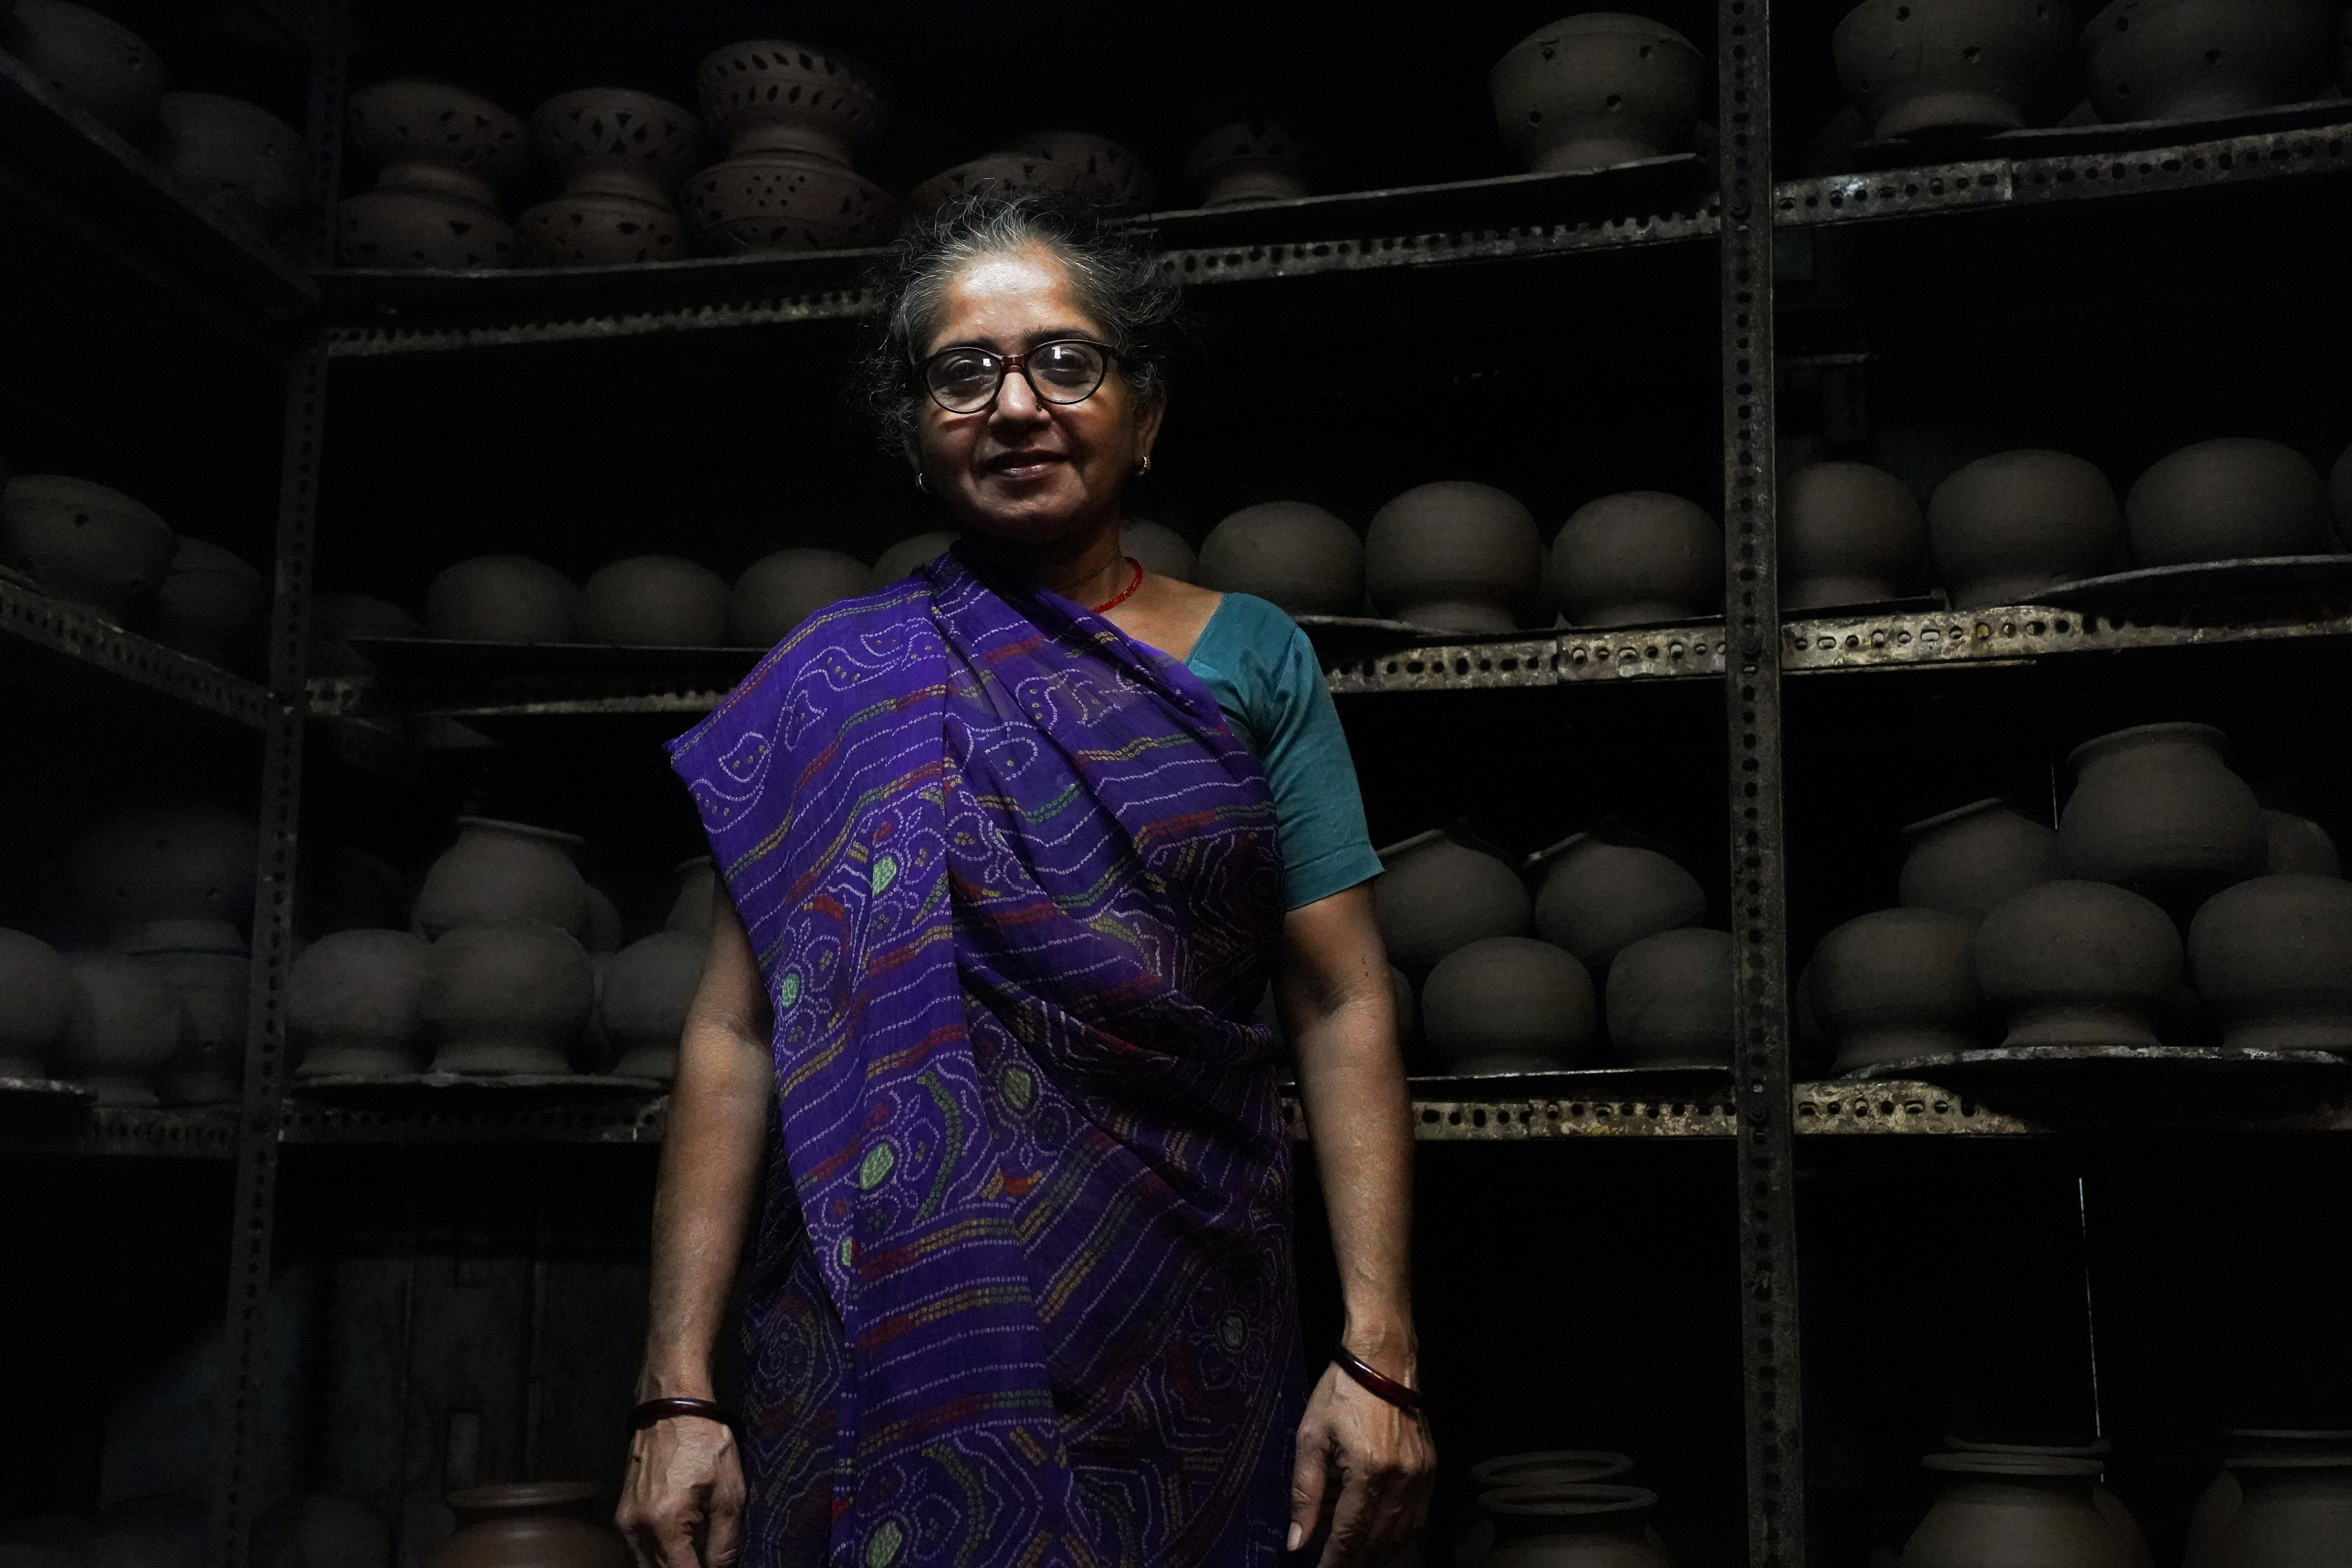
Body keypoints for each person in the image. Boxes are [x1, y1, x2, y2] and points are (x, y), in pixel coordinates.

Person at [618, 196, 1431, 1568]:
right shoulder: (832, 683)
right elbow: (736, 1032)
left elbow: (1342, 1003)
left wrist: (1381, 1355)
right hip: (888, 1317)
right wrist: (677, 1387)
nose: (1017, 405)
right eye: (964, 373)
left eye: (1066, 361)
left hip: (1185, 1317)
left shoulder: (1253, 658)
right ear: (916, 433)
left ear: (1144, 412)